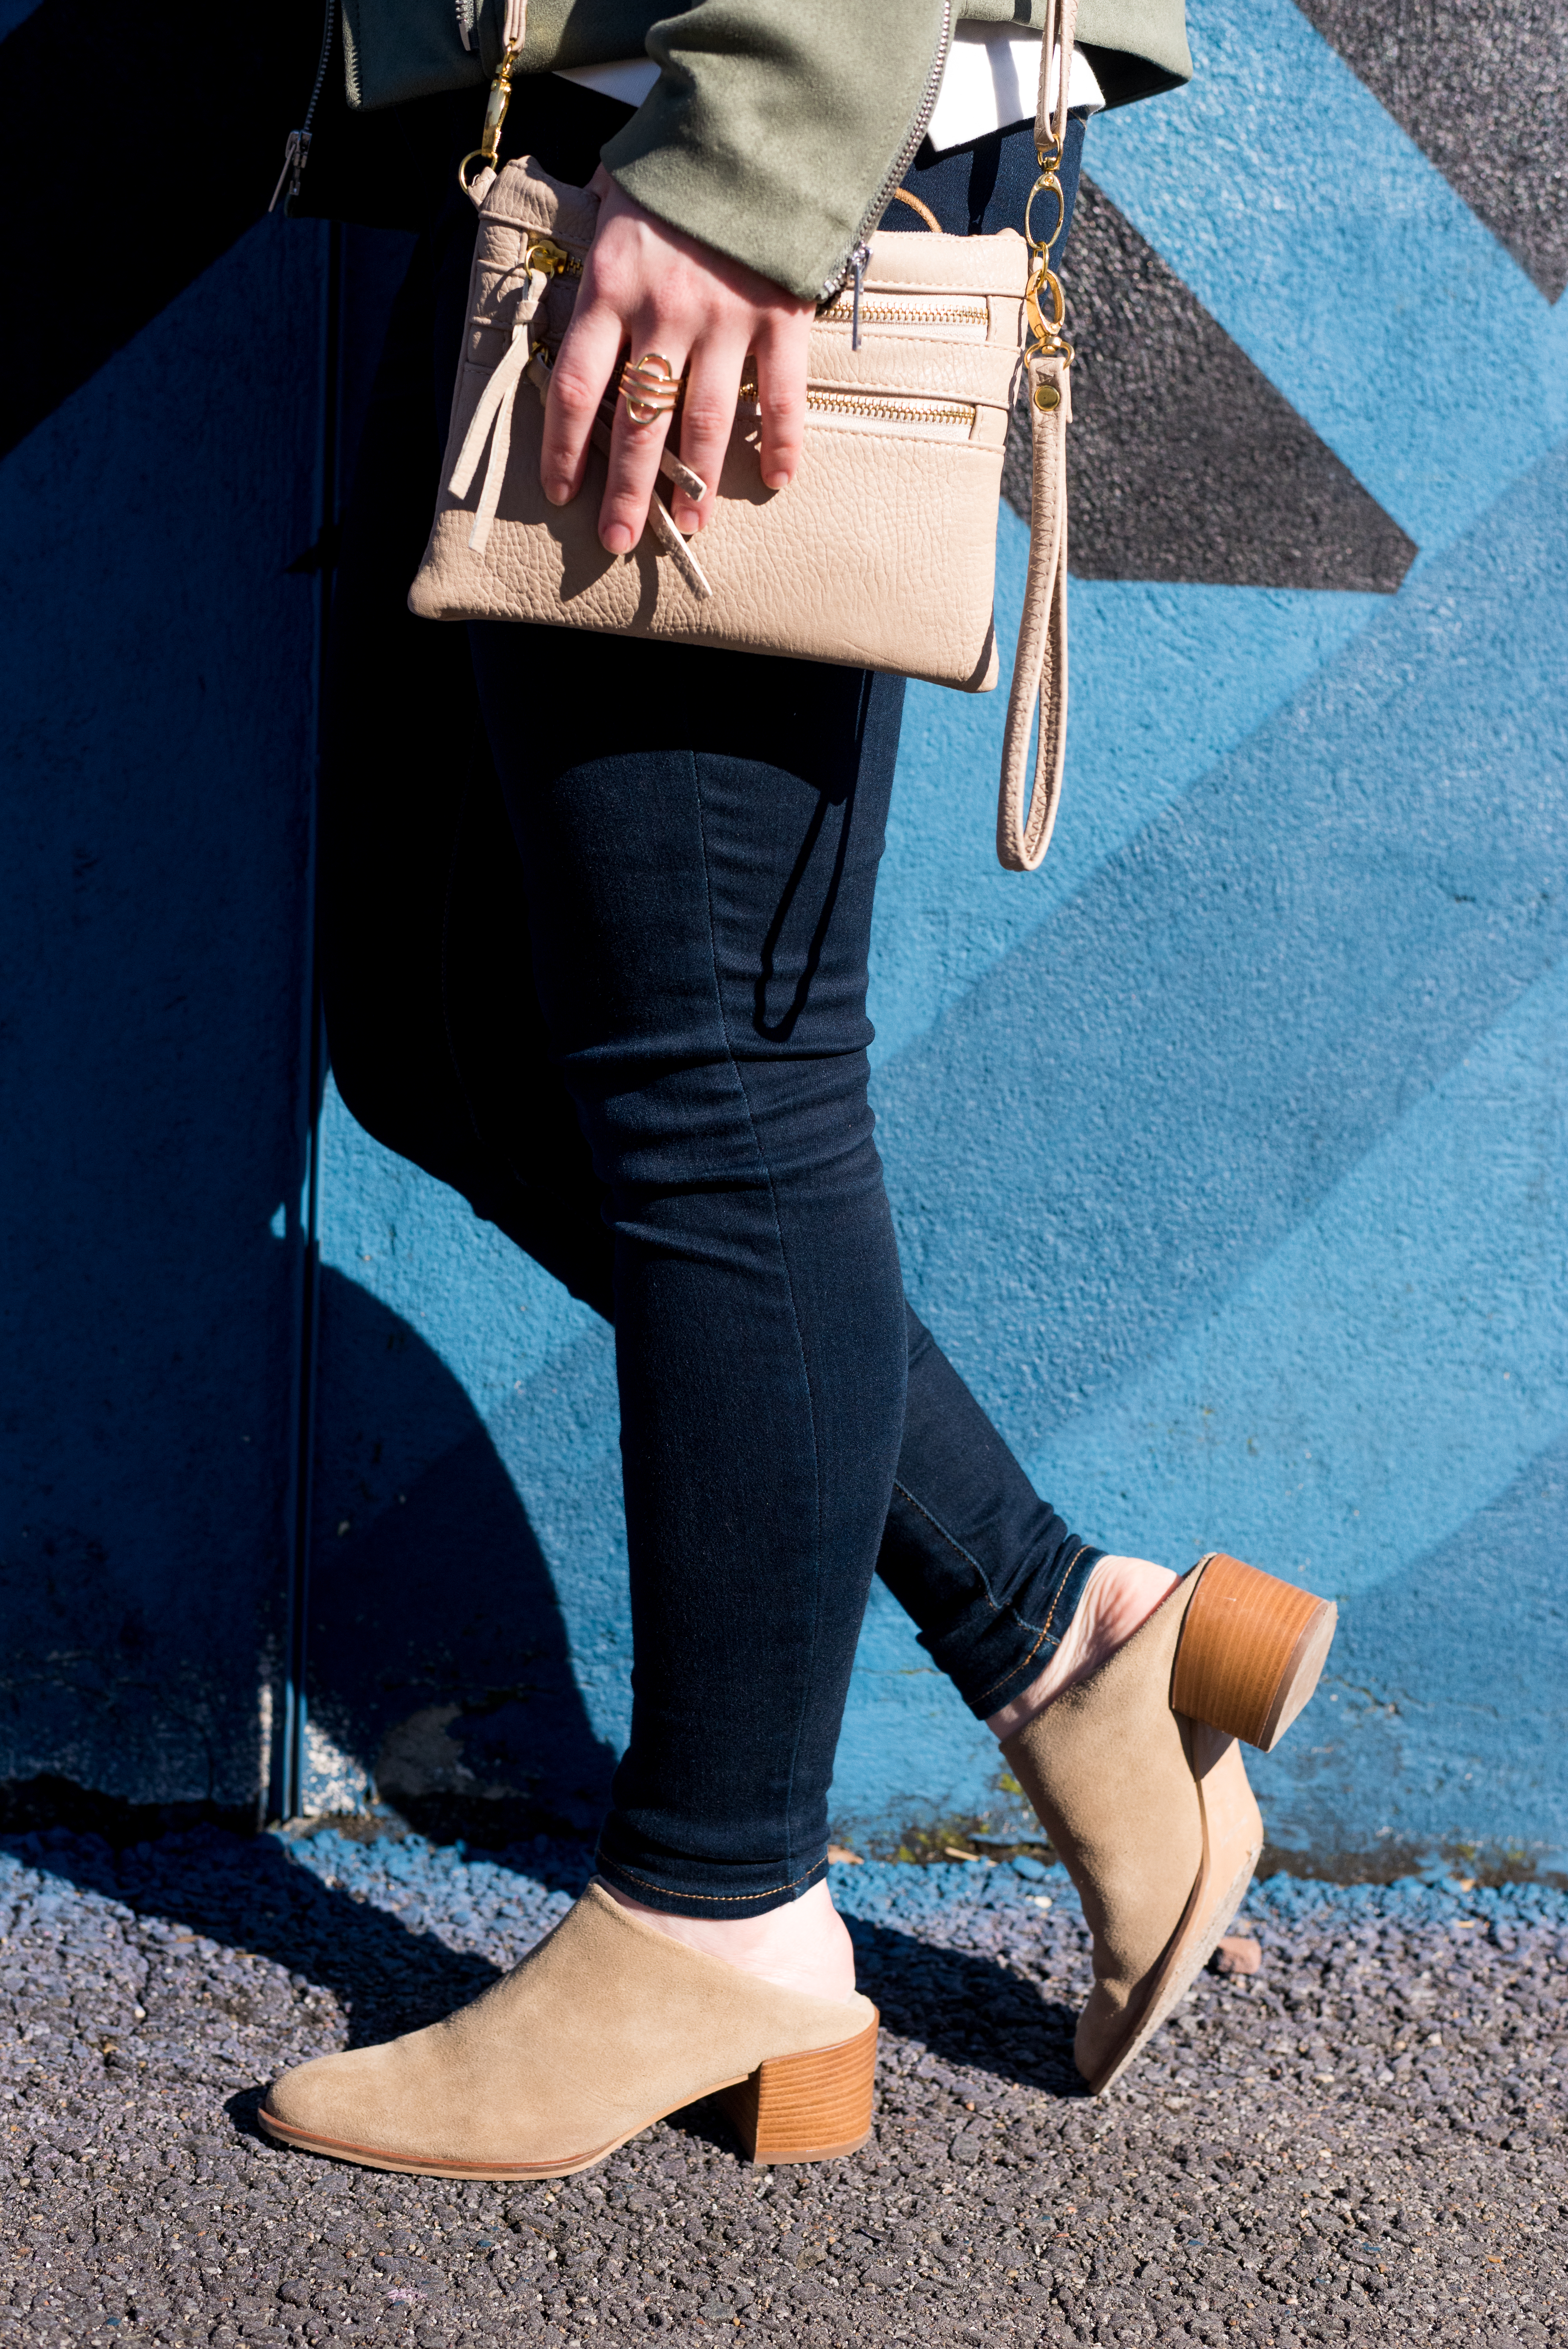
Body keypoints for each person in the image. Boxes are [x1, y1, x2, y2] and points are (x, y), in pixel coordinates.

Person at [261, 0, 1335, 2179]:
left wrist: (764, 153)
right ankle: (1071, 1636)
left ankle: (722, 1905)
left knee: (713, 1077)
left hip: (730, 153)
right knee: (450, 1037)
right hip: (566, 131)